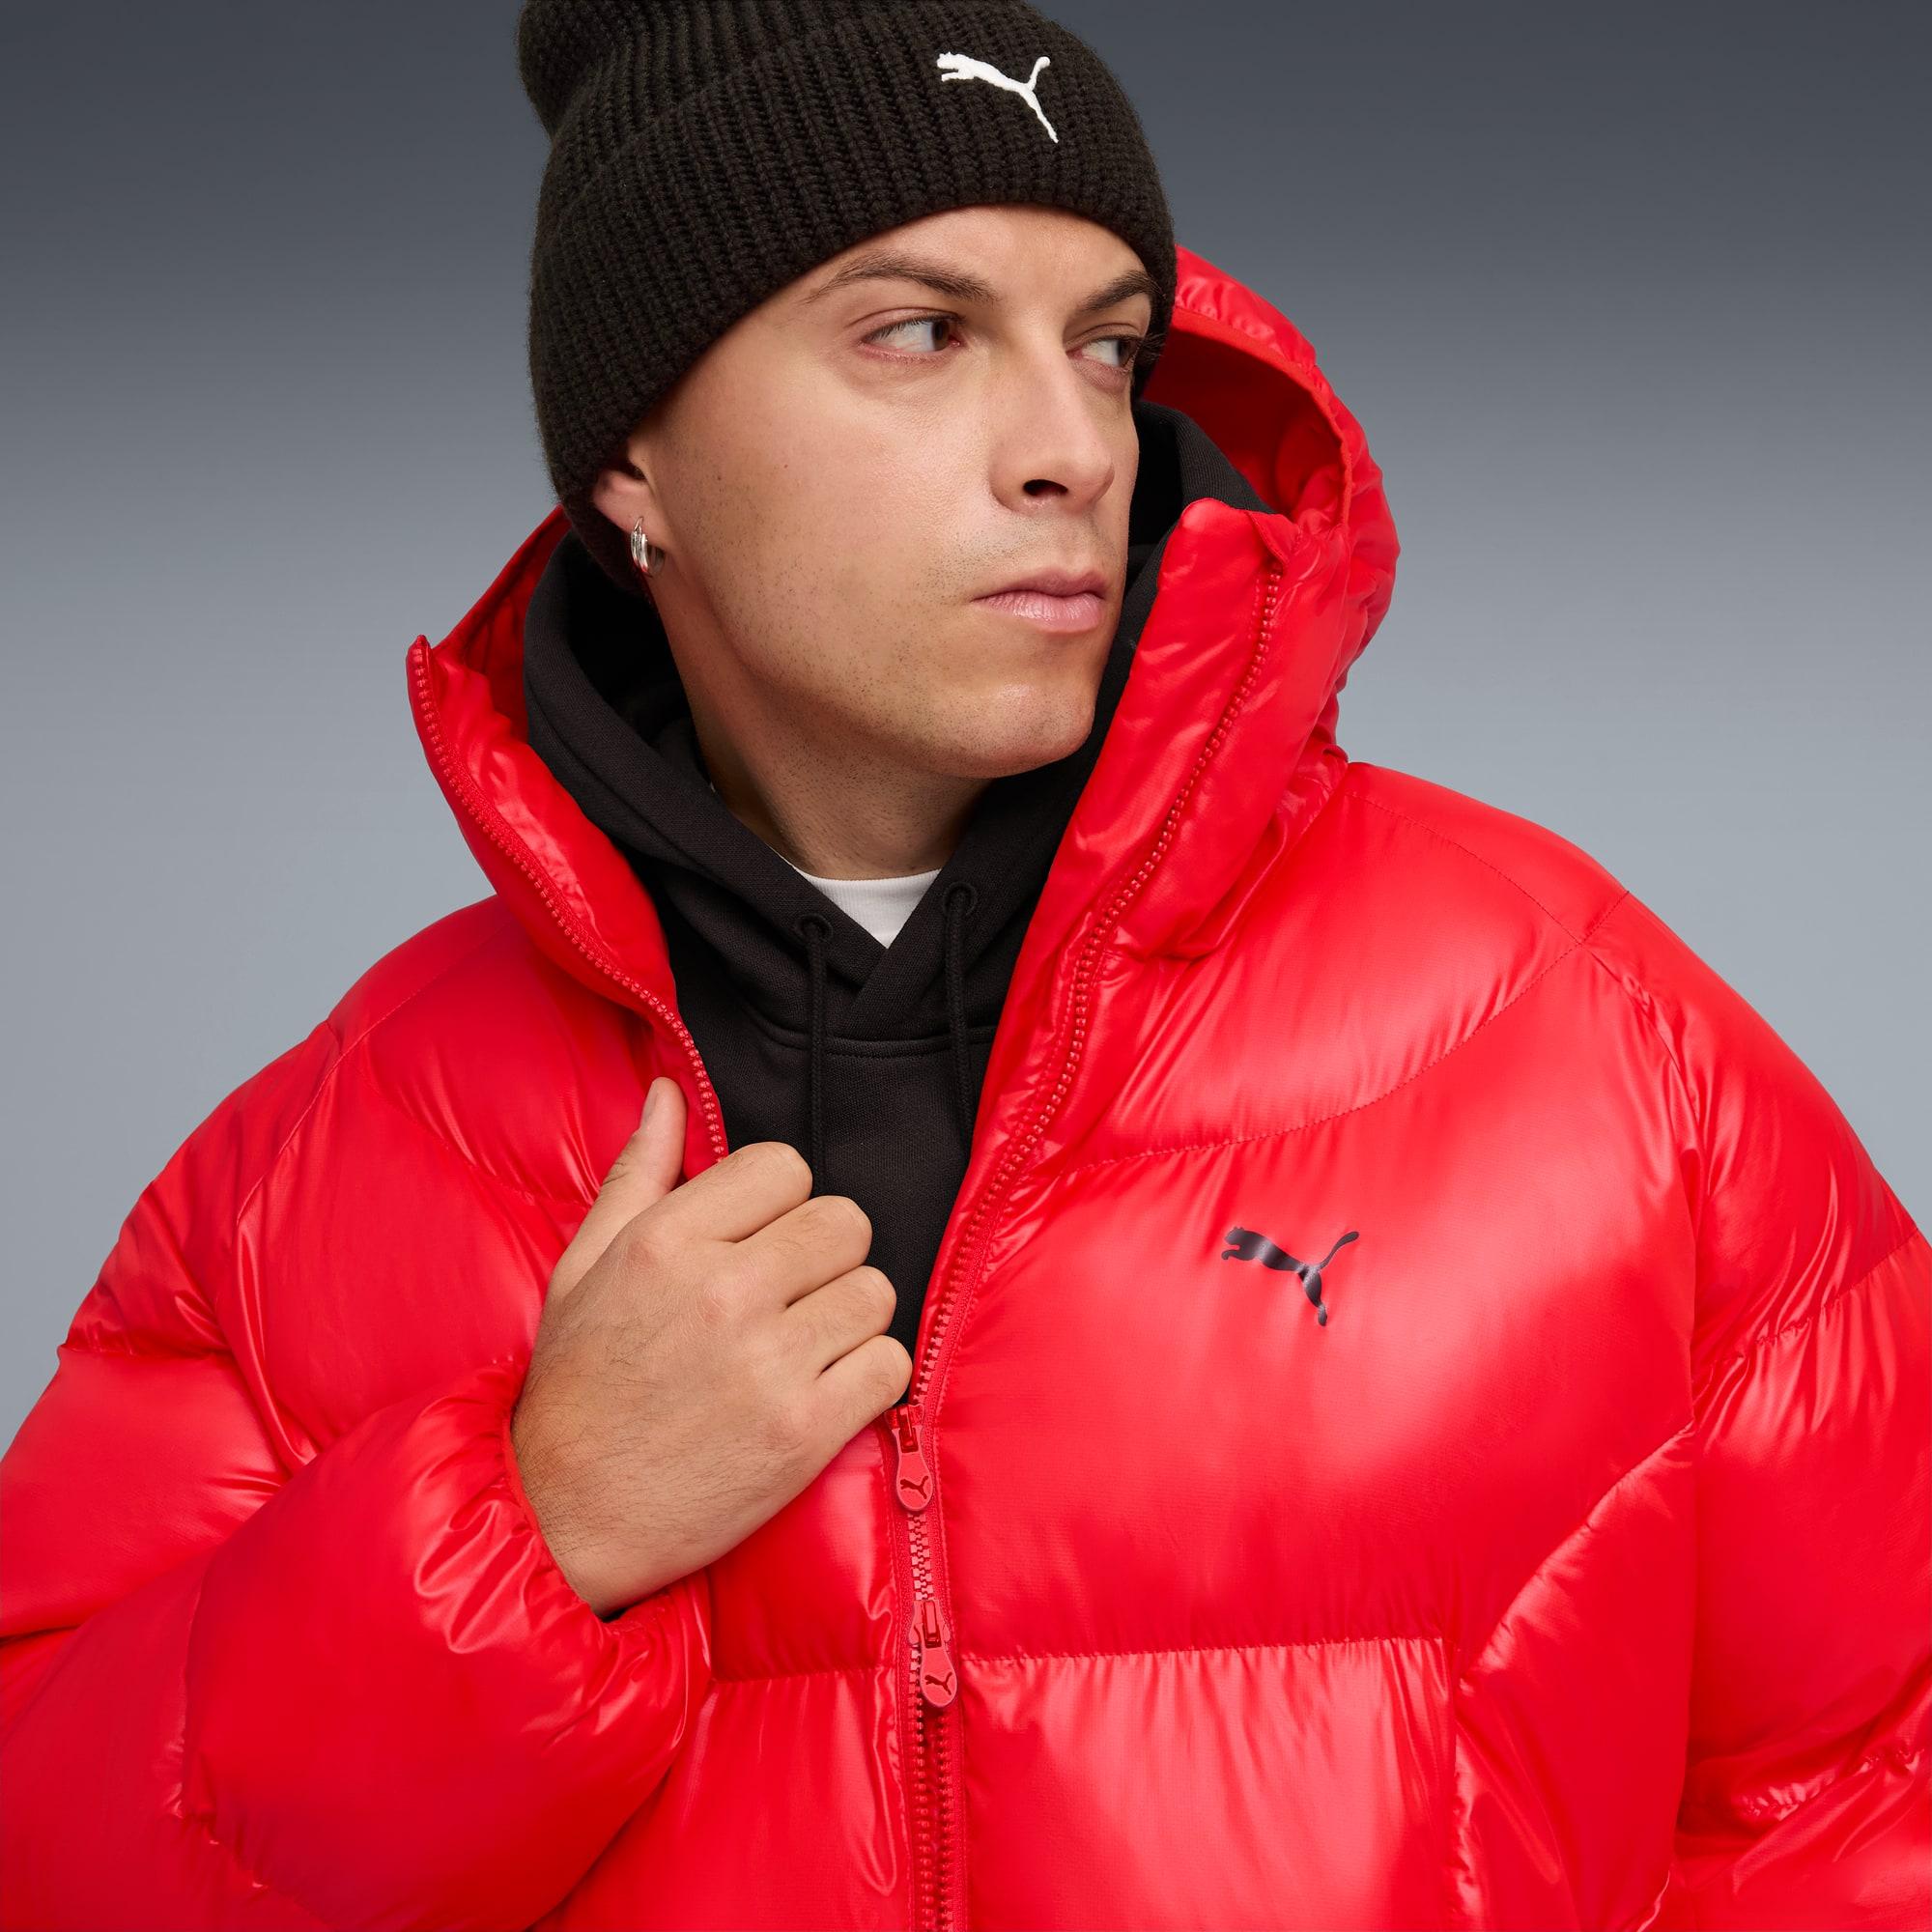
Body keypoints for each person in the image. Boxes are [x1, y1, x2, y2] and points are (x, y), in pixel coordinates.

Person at [2, 2, 1925, 1926]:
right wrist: (529, 1528)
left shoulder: (1586, 1032)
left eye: (1105, 346)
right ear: (634, 457)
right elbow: (59, 1850)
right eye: (918, 332)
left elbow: (1872, 1795)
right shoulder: (317, 1173)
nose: (1072, 446)